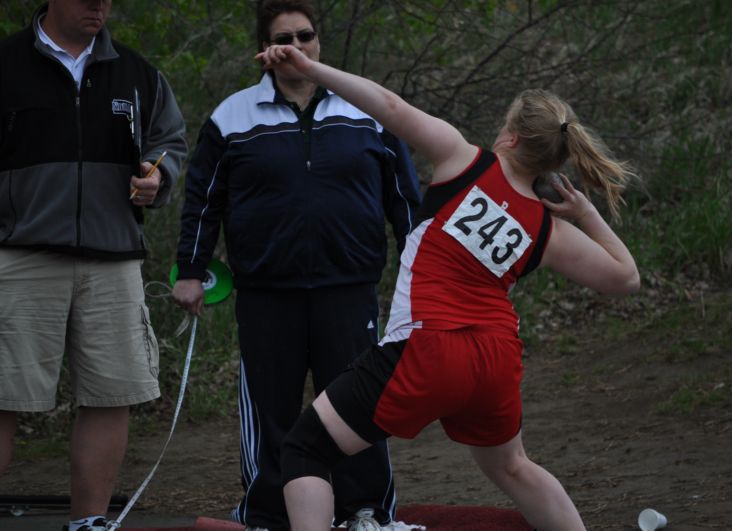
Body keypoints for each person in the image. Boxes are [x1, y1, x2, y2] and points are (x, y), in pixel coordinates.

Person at [256, 43, 641, 531]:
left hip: (431, 344)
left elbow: (389, 106)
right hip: (496, 357)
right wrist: (586, 213)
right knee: (513, 466)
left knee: (306, 448)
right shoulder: (548, 229)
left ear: (512, 134)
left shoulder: (464, 159)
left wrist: (311, 69)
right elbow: (626, 277)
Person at [171, 1, 420, 530]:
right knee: (271, 412)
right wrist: (190, 270)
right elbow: (203, 199)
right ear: (264, 50)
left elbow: (405, 197)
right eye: (282, 37)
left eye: (305, 35)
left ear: (319, 42)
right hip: (267, 292)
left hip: (349, 287)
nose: (296, 46)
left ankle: (365, 512)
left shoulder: (367, 109)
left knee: (358, 405)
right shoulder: (231, 115)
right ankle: (269, 515)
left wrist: (425, 274)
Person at [0, 1, 187, 531]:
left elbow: (168, 143)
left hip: (113, 258)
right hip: (20, 256)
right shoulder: (7, 64)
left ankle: (89, 523)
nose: (99, 7)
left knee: (112, 393)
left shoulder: (138, 73)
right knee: (2, 394)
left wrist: (157, 175)